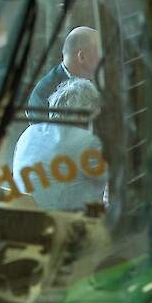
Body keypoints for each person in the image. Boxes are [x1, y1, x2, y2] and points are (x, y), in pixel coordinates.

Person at [13, 78, 106, 211]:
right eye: (96, 115)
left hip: (22, 217)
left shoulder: (28, 132)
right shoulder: (87, 141)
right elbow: (121, 178)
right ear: (82, 114)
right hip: (61, 223)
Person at [27, 26, 100, 120]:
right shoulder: (42, 94)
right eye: (99, 52)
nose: (104, 58)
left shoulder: (101, 80)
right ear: (81, 56)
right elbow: (42, 133)